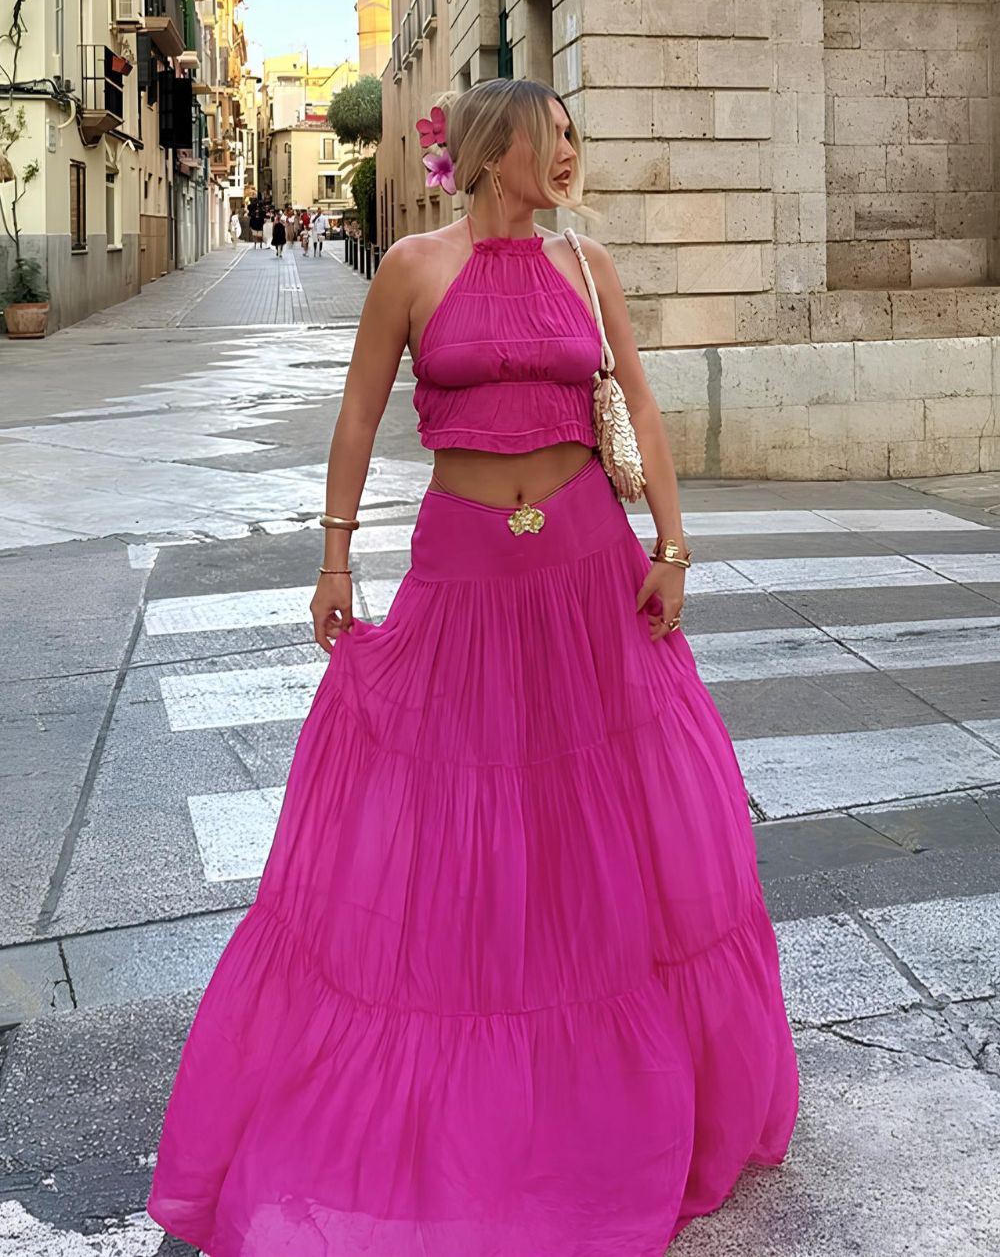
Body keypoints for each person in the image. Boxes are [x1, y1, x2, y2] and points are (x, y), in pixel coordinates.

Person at [146, 79, 799, 1257]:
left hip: (591, 571)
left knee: (599, 820)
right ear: (498, 151)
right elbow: (356, 415)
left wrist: (674, 545)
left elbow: (639, 409)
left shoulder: (586, 270)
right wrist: (334, 558)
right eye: (555, 135)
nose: (570, 154)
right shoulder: (411, 266)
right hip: (461, 574)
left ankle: (611, 1093)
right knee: (463, 800)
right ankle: (477, 1079)